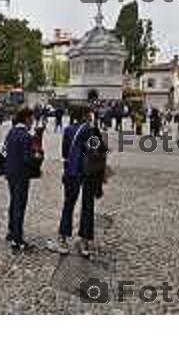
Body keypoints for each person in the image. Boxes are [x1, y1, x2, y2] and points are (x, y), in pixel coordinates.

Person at [56, 105, 107, 258]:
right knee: (87, 206)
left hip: (72, 172)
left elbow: (65, 153)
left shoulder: (68, 130)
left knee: (69, 204)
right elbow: (98, 150)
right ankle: (84, 241)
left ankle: (63, 238)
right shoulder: (90, 130)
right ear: (85, 116)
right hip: (88, 173)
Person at [4, 107, 35, 252]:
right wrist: (37, 157)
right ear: (27, 118)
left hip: (10, 172)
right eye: (32, 118)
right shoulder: (26, 136)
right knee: (19, 205)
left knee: (13, 202)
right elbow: (27, 159)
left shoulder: (11, 132)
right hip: (21, 174)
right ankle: (18, 239)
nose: (33, 121)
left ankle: (11, 231)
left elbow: (5, 150)